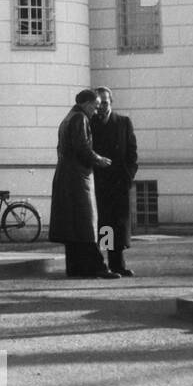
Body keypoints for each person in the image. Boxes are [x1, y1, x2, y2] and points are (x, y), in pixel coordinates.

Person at [48, 89, 118, 279]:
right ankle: (98, 267)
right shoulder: (80, 118)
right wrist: (99, 159)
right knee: (86, 225)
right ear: (87, 104)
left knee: (73, 227)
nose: (96, 111)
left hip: (66, 176)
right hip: (79, 178)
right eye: (95, 107)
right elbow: (82, 148)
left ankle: (76, 267)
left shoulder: (68, 118)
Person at [91, 86, 139, 276]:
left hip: (119, 182)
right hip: (100, 182)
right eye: (99, 103)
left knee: (119, 225)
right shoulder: (91, 123)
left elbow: (132, 152)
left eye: (105, 102)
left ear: (111, 101)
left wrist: (128, 176)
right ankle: (107, 265)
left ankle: (118, 264)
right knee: (105, 225)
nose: (102, 106)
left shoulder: (123, 122)